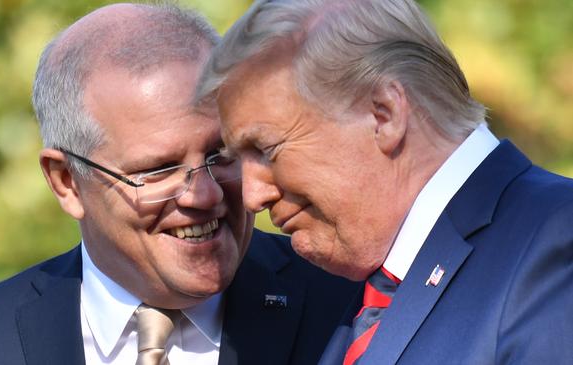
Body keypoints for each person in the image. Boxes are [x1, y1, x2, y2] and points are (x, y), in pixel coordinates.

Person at [0, 3, 357, 365]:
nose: (205, 194)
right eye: (160, 170)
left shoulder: (350, 308)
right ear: (67, 182)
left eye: (221, 154)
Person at [195, 0, 573, 364]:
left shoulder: (555, 242)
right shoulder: (358, 293)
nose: (252, 196)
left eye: (265, 149)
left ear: (384, 115)